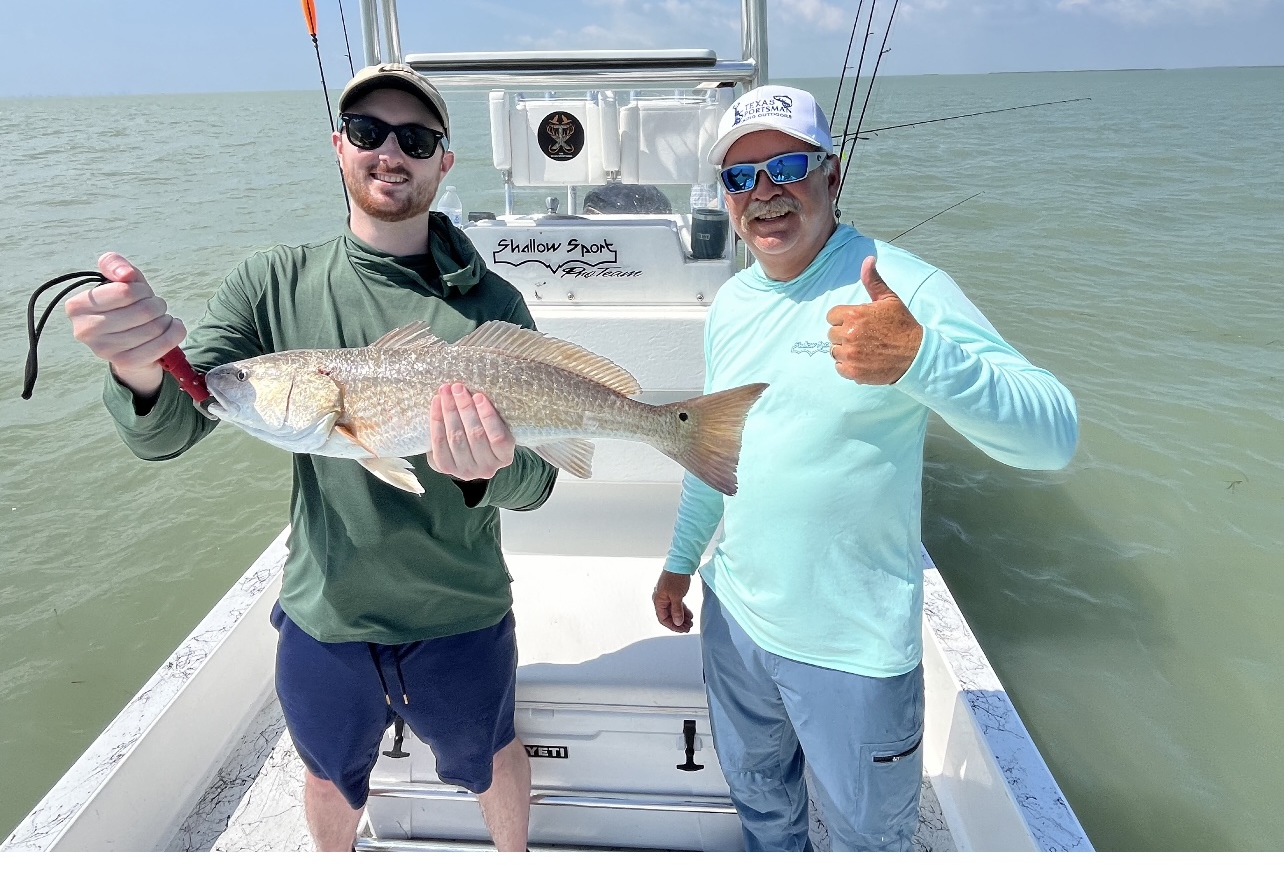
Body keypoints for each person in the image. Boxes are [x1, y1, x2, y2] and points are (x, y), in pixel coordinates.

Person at [64, 62, 557, 852]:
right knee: (329, 771)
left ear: (443, 162)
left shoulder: (493, 305)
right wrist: (140, 362)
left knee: (490, 756)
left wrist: (487, 468)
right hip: (327, 612)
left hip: (459, 610)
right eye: (368, 132)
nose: (389, 151)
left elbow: (538, 481)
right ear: (339, 147)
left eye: (416, 137)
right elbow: (178, 423)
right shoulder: (272, 283)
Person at [650, 85, 1078, 851]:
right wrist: (682, 563)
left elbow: (1054, 431)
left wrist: (923, 359)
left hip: (852, 650)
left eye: (786, 165)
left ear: (833, 175)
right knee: (761, 805)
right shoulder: (731, 302)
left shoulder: (900, 285)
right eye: (741, 177)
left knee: (867, 842)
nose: (765, 193)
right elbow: (712, 449)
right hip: (736, 620)